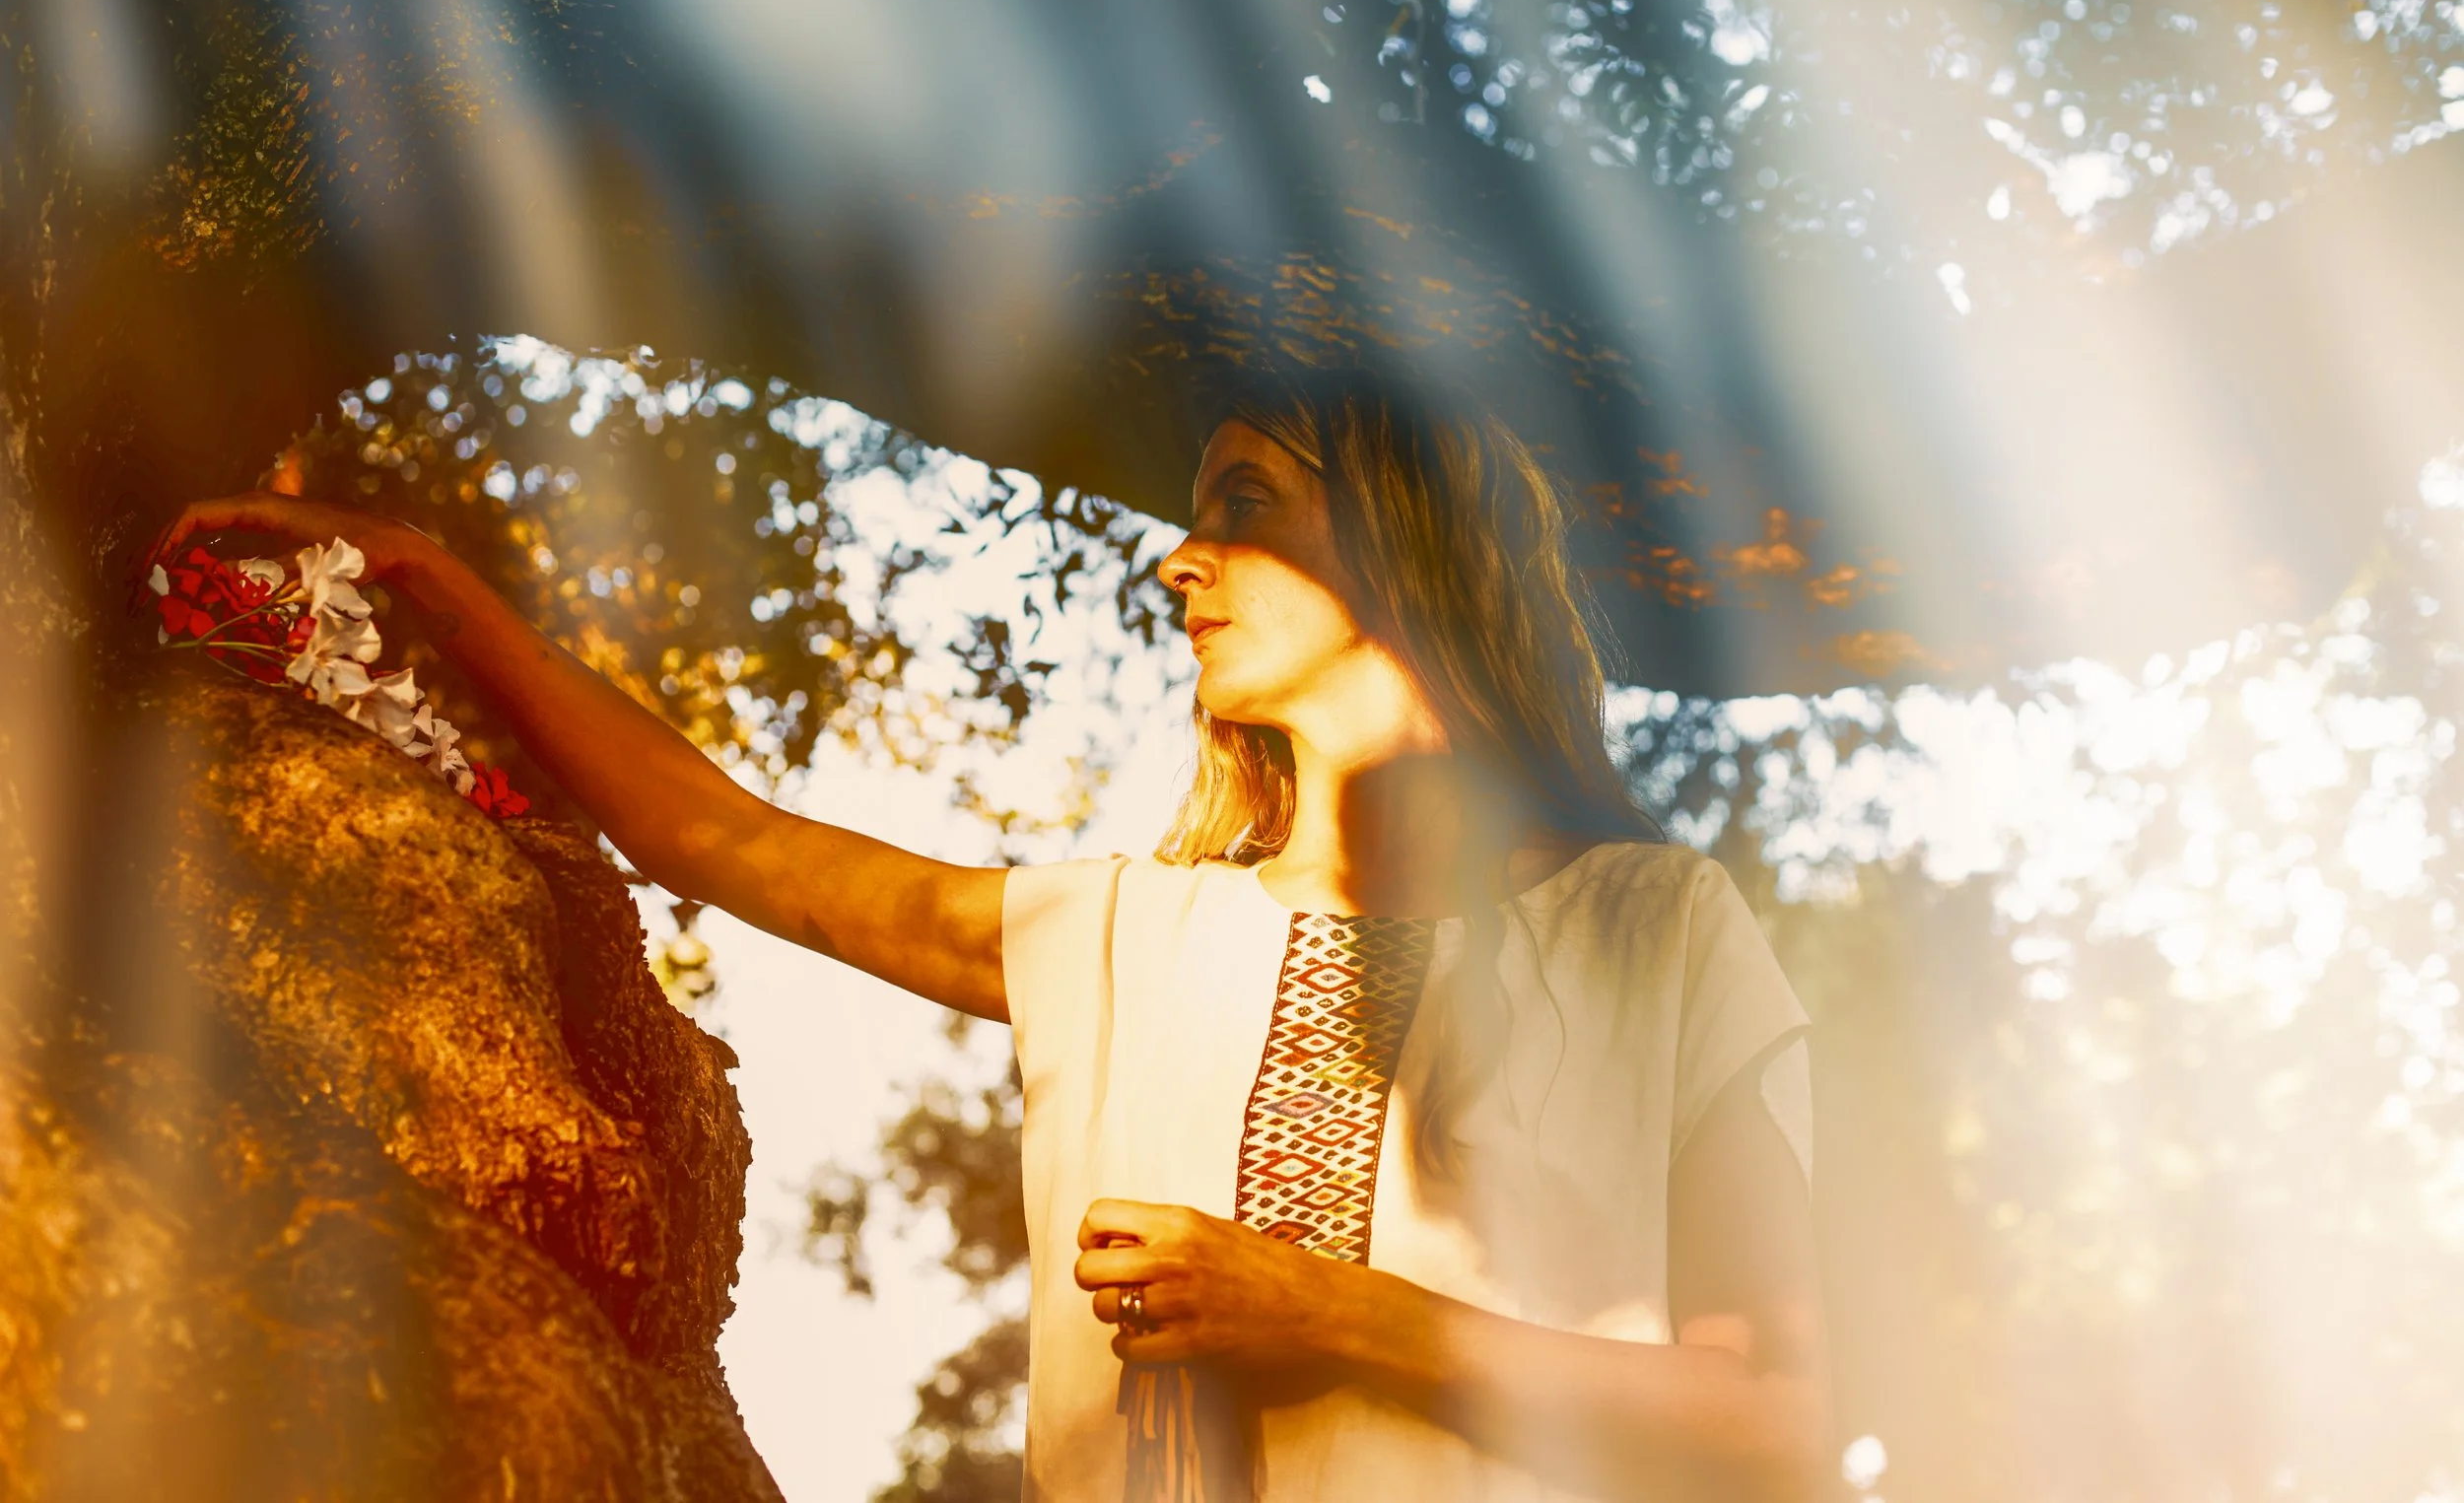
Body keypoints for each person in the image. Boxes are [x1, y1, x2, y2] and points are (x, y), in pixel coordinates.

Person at [143, 378, 1831, 1502]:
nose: (1179, 560)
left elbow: (1770, 1417)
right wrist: (440, 591)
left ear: (1404, 537)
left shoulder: (1654, 928)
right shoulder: (1114, 938)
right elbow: (721, 840)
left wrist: (1325, 1309)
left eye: (1245, 502)